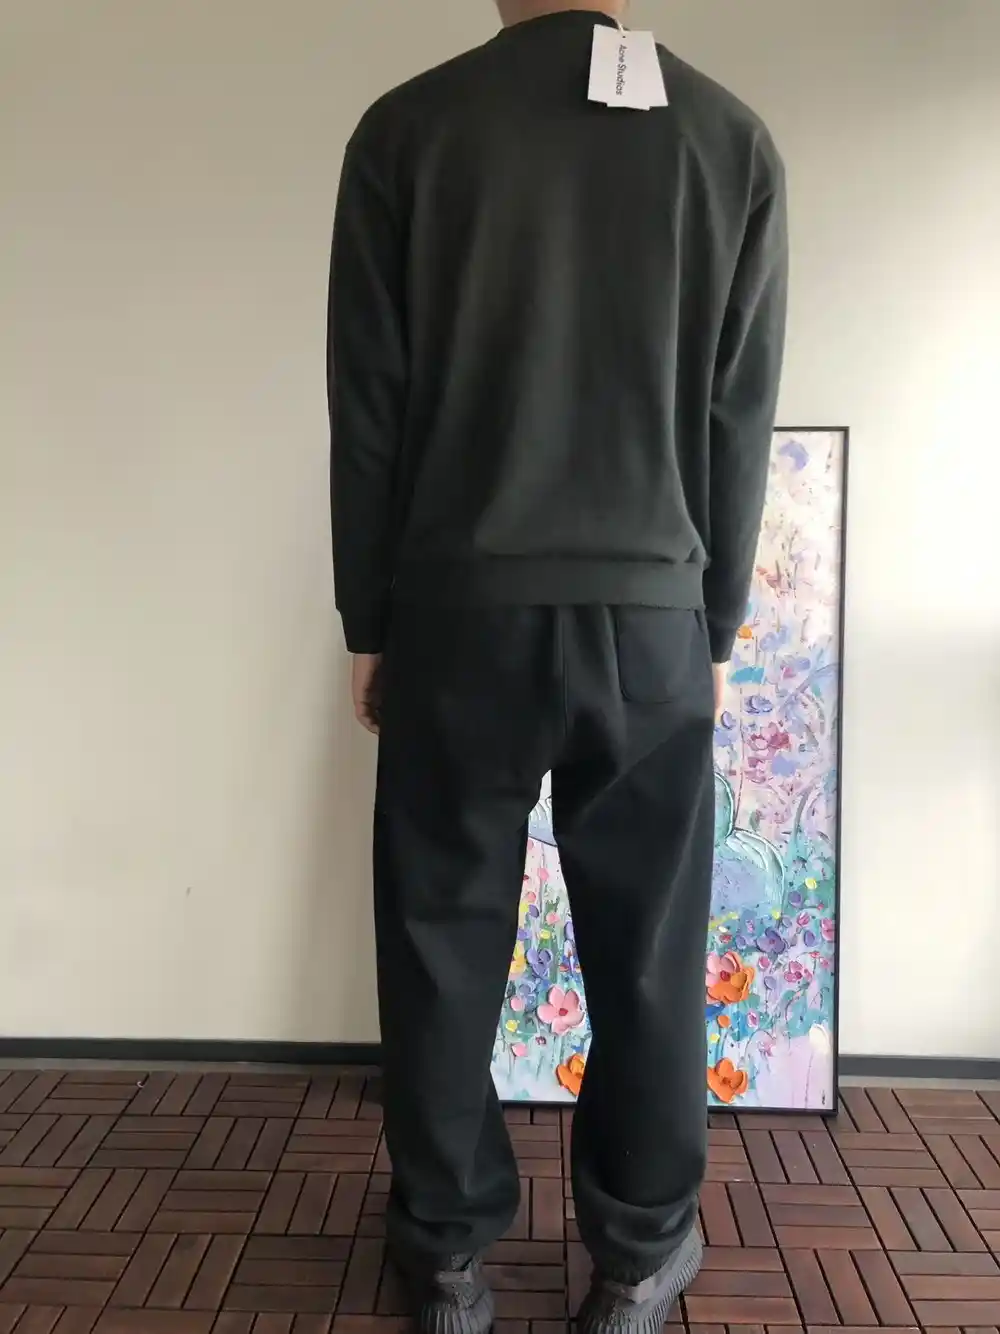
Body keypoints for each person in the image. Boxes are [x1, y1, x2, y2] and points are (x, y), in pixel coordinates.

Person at [328, 0, 788, 1329]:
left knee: (439, 937)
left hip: (460, 613)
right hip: (649, 617)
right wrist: (712, 623)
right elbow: (739, 412)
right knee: (649, 945)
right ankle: (639, 1256)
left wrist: (370, 621)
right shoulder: (728, 140)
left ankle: (447, 1253)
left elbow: (369, 401)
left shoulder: (408, 131)